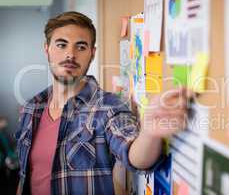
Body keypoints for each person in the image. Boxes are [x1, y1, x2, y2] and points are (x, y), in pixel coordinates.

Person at [15, 11, 192, 195]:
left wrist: (149, 133)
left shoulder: (108, 107)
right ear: (47, 49)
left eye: (81, 47)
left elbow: (135, 157)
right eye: (61, 45)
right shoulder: (32, 108)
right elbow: (26, 175)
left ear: (92, 53)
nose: (70, 54)